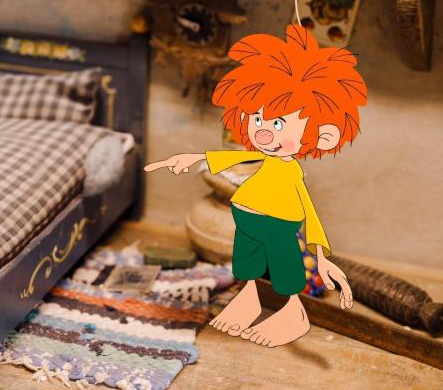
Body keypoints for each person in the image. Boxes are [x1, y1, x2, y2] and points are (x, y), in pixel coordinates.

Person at [145, 24, 366, 347]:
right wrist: (191, 158)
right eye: (258, 119)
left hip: (278, 225)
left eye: (278, 123)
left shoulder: (291, 171)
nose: (262, 131)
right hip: (247, 220)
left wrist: (321, 256)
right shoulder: (261, 156)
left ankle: (294, 312)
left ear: (324, 135)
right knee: (246, 264)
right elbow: (231, 157)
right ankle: (247, 299)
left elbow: (308, 211)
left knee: (284, 267)